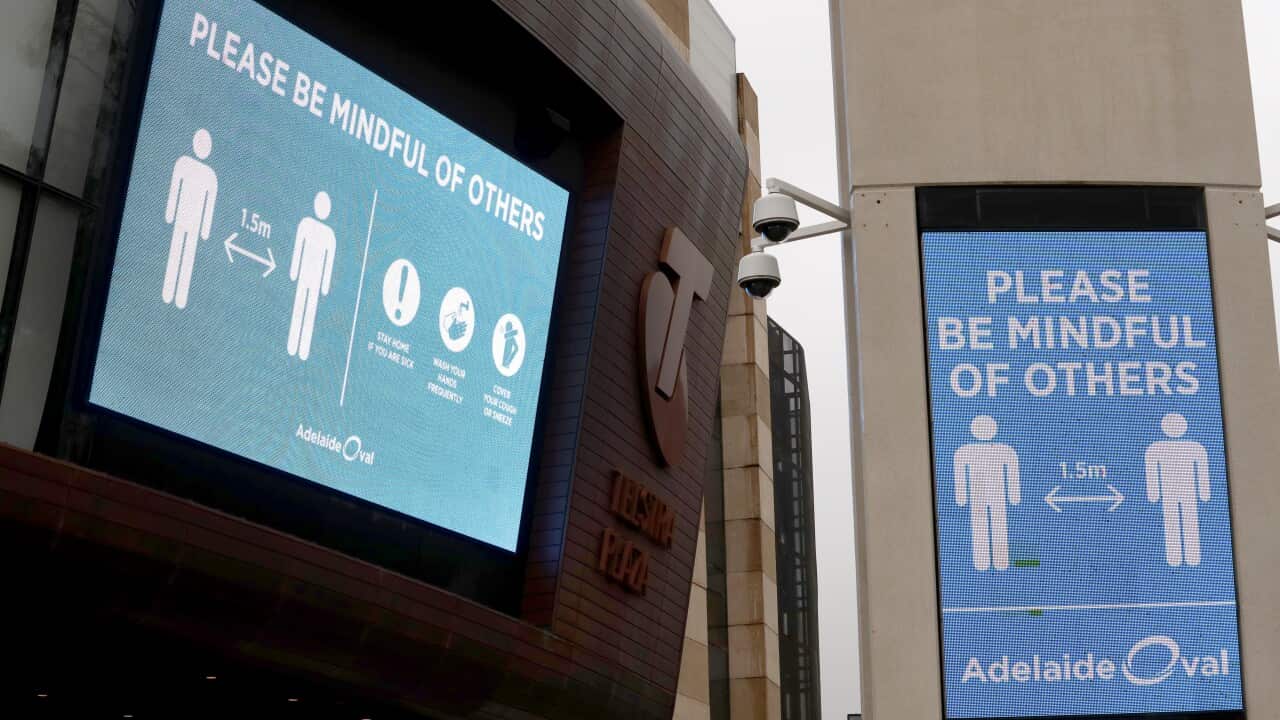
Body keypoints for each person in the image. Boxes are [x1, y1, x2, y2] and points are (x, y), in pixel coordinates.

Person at [954, 415, 1021, 571]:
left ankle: (1001, 561)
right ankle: (982, 563)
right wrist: (961, 497)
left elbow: (1012, 472)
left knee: (998, 525)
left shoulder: (1004, 450)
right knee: (980, 526)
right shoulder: (964, 451)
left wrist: (1014, 496)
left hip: (997, 494)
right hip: (978, 494)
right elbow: (959, 474)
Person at [1145, 412, 1211, 566]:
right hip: (1169, 492)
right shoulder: (1155, 448)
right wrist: (1153, 494)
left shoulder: (1195, 447)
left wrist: (1204, 492)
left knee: (1189, 521)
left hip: (1188, 491)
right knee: (1172, 522)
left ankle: (1193, 557)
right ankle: (1175, 558)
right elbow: (1151, 471)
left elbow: (1202, 471)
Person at [163, 129, 218, 309]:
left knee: (187, 257)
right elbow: (175, 189)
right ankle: (168, 292)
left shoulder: (210, 175)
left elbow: (209, 204)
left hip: (194, 224)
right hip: (182, 219)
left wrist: (205, 230)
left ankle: (180, 298)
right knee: (176, 252)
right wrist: (170, 214)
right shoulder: (183, 163)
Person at [287, 191, 336, 361]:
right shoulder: (306, 224)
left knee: (309, 312)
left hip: (314, 281)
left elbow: (329, 262)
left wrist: (324, 285)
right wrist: (294, 271)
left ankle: (303, 350)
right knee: (300, 308)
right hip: (304, 276)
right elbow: (298, 248)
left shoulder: (329, 235)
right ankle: (293, 346)